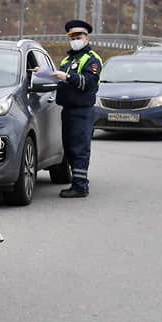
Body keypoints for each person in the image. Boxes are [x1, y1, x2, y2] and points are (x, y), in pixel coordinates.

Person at [52, 19, 102, 198]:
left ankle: (80, 185)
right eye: (72, 37)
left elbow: (88, 83)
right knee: (70, 147)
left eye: (78, 37)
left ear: (86, 39)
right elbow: (61, 80)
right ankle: (77, 182)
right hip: (68, 110)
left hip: (82, 110)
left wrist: (67, 77)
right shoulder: (67, 59)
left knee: (79, 148)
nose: (74, 40)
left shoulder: (92, 59)